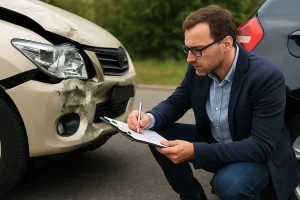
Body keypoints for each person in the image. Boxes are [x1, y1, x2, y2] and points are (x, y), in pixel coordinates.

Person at [127, 5, 299, 200]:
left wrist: (195, 151)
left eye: (197, 50)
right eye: (187, 49)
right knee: (156, 134)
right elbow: (177, 101)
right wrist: (149, 118)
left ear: (226, 43)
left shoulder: (266, 77)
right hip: (216, 141)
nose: (190, 58)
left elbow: (261, 146)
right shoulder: (200, 67)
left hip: (257, 156)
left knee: (229, 184)